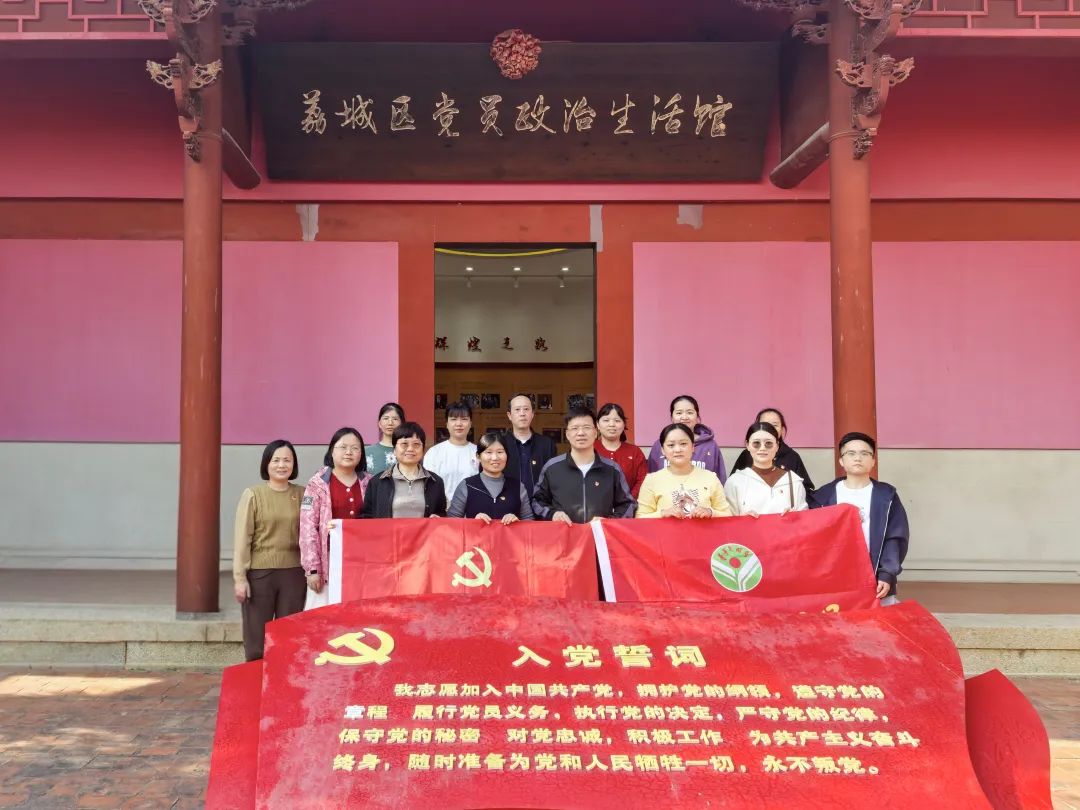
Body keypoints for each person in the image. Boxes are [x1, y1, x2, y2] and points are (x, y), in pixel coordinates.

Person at [810, 432, 909, 605]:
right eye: (851, 453)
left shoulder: (886, 496)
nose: (858, 458)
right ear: (841, 460)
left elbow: (895, 538)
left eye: (865, 453)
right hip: (834, 577)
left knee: (879, 620)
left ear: (873, 461)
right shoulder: (823, 497)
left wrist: (887, 573)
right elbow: (810, 535)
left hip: (875, 578)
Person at [233, 439, 306, 661]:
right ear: (266, 463)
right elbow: (242, 538)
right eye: (276, 460)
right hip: (259, 575)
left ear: (294, 464)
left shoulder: (304, 494)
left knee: (289, 637)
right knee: (256, 638)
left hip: (294, 574)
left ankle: (283, 680)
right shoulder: (253, 495)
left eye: (287, 460)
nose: (281, 465)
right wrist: (240, 578)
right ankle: (256, 679)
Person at [300, 427, 371, 606]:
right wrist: (313, 569)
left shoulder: (369, 482)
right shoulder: (317, 483)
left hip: (361, 561)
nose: (349, 452)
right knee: (324, 615)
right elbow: (308, 527)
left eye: (355, 448)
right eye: (343, 447)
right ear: (332, 450)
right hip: (328, 561)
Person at [533, 406, 636, 523]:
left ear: (595, 432)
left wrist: (608, 522)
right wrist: (552, 514)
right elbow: (537, 501)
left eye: (586, 427)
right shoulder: (552, 467)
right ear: (567, 434)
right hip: (564, 533)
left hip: (599, 533)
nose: (581, 433)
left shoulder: (612, 469)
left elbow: (628, 504)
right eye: (575, 428)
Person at [637, 424, 732, 519]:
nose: (678, 450)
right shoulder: (651, 480)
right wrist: (662, 513)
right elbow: (640, 517)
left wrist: (711, 512)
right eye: (671, 445)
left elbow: (727, 515)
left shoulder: (710, 478)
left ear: (693, 447)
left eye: (683, 444)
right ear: (662, 450)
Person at [361, 422, 447, 518]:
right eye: (404, 444)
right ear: (394, 449)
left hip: (424, 529)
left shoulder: (435, 482)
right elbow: (367, 517)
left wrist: (438, 517)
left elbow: (442, 513)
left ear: (423, 449)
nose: (410, 449)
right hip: (388, 529)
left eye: (416, 444)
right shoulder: (377, 482)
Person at [724, 422, 808, 516]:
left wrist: (796, 517)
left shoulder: (793, 481)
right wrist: (742, 520)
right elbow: (727, 519)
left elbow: (804, 519)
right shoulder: (735, 482)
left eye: (768, 443)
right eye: (756, 443)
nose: (762, 448)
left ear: (777, 446)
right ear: (747, 445)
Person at [447, 433, 535, 523]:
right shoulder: (467, 485)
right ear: (478, 456)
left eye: (500, 452)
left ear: (507, 455)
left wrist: (518, 522)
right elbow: (451, 522)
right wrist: (472, 522)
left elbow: (530, 523)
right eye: (489, 452)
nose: (495, 457)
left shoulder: (518, 487)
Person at [730, 407, 815, 493]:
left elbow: (806, 490)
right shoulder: (747, 454)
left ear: (782, 430)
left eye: (775, 425)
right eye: (765, 424)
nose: (770, 428)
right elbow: (733, 487)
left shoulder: (792, 457)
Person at [646, 395, 726, 481]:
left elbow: (719, 480)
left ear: (697, 417)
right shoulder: (659, 444)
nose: (684, 417)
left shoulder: (710, 446)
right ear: (672, 417)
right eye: (679, 413)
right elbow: (651, 478)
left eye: (690, 412)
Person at [423, 400, 479, 506]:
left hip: (472, 509)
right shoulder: (434, 452)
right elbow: (428, 485)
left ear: (470, 423)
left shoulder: (479, 452)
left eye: (464, 419)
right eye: (453, 419)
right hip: (441, 509)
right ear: (447, 424)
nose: (459, 424)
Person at [502, 393, 558, 497]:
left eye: (526, 409)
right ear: (509, 415)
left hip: (540, 504)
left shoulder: (546, 444)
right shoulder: (500, 444)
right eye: (517, 409)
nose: (522, 413)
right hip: (507, 504)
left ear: (532, 414)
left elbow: (554, 479)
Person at [594, 402, 648, 499]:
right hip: (593, 505)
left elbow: (642, 480)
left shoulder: (634, 451)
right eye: (606, 420)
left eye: (617, 420)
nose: (611, 424)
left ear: (624, 425)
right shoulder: (589, 449)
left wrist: (628, 500)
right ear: (597, 424)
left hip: (629, 505)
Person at [365, 402, 405, 475]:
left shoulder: (407, 452)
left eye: (395, 419)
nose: (390, 423)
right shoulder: (366, 452)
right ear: (379, 423)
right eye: (386, 418)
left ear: (402, 423)